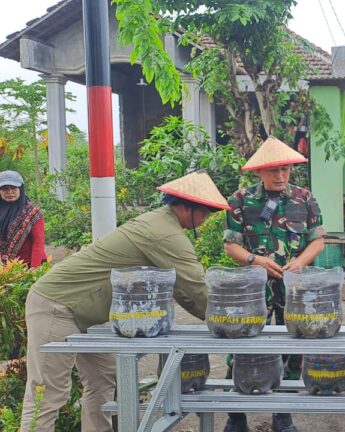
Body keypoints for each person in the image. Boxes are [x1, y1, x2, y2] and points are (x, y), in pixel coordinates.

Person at [20, 170, 228, 432]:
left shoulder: (160, 224)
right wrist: (227, 322)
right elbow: (195, 288)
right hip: (57, 305)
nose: (206, 220)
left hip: (86, 314)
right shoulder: (165, 234)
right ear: (188, 208)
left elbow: (178, 288)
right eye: (206, 214)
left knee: (103, 381)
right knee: (48, 392)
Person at [223, 136, 326, 432]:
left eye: (285, 169)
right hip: (253, 287)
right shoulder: (240, 200)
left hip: (294, 286)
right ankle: (236, 414)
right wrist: (255, 261)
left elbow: (317, 240)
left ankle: (283, 414)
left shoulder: (304, 198)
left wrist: (301, 262)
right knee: (241, 343)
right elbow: (231, 247)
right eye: (273, 170)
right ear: (259, 172)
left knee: (294, 345)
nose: (281, 176)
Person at [0, 170, 45, 267]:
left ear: (21, 189)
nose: (10, 192)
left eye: (14, 188)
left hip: (25, 266)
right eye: (5, 189)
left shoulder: (32, 212)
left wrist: (34, 269)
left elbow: (38, 242)